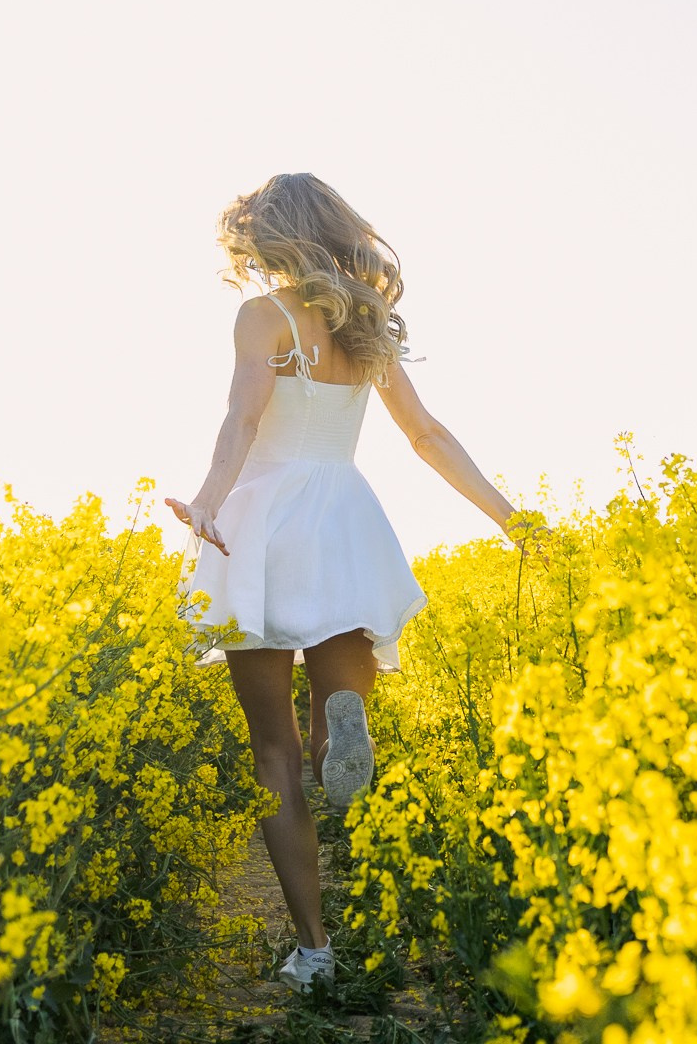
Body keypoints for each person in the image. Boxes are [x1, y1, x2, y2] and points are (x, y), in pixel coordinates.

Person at [164, 172, 523, 995]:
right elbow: (427, 435)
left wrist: (210, 501)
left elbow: (243, 420)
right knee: (334, 728)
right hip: (345, 524)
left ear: (273, 236)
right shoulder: (368, 328)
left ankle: (315, 950)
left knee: (271, 753)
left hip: (262, 527)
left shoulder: (265, 317)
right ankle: (340, 726)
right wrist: (511, 519)